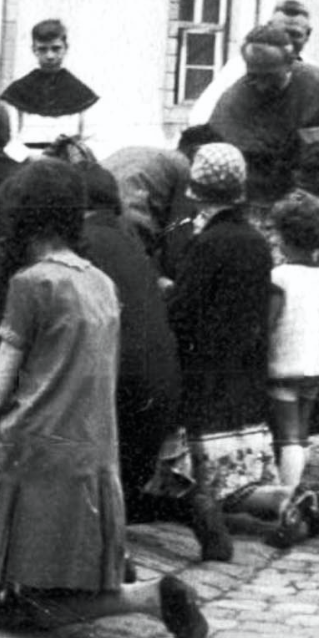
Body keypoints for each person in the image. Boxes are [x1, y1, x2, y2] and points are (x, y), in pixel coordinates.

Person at [0, 161, 210, 638]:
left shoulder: (32, 283)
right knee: (43, 599)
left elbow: (0, 388)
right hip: (95, 458)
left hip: (34, 455)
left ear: (20, 217)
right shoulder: (100, 282)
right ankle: (145, 598)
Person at [164, 145, 319, 552]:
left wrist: (166, 294)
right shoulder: (255, 242)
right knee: (244, 475)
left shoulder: (208, 243)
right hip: (245, 370)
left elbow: (185, 309)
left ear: (197, 191)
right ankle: (288, 498)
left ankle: (290, 501)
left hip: (207, 371)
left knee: (216, 481)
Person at [75, 165, 219, 555]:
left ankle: (108, 554)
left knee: (83, 488)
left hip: (118, 390)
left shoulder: (80, 244)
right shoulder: (130, 243)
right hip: (162, 390)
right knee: (120, 488)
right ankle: (187, 507)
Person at [206, 22, 319, 249]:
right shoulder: (234, 101)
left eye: (270, 77)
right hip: (263, 201)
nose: (262, 86)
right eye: (254, 76)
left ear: (290, 65)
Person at [265, 190, 319, 536]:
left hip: (283, 363)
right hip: (314, 363)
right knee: (302, 432)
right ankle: (298, 487)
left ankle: (287, 498)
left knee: (286, 435)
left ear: (284, 236)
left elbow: (270, 324)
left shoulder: (279, 278)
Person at [187, 0, 317, 123]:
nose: (288, 41)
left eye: (295, 35)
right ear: (269, 28)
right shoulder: (238, 68)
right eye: (281, 33)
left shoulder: (316, 75)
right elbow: (200, 116)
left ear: (307, 35)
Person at [0, 18, 99, 154]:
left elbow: (92, 138)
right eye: (43, 49)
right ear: (34, 50)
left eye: (56, 48)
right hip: (28, 164)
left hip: (68, 164)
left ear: (65, 48)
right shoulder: (18, 91)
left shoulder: (81, 92)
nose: (50, 55)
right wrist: (34, 158)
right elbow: (10, 139)